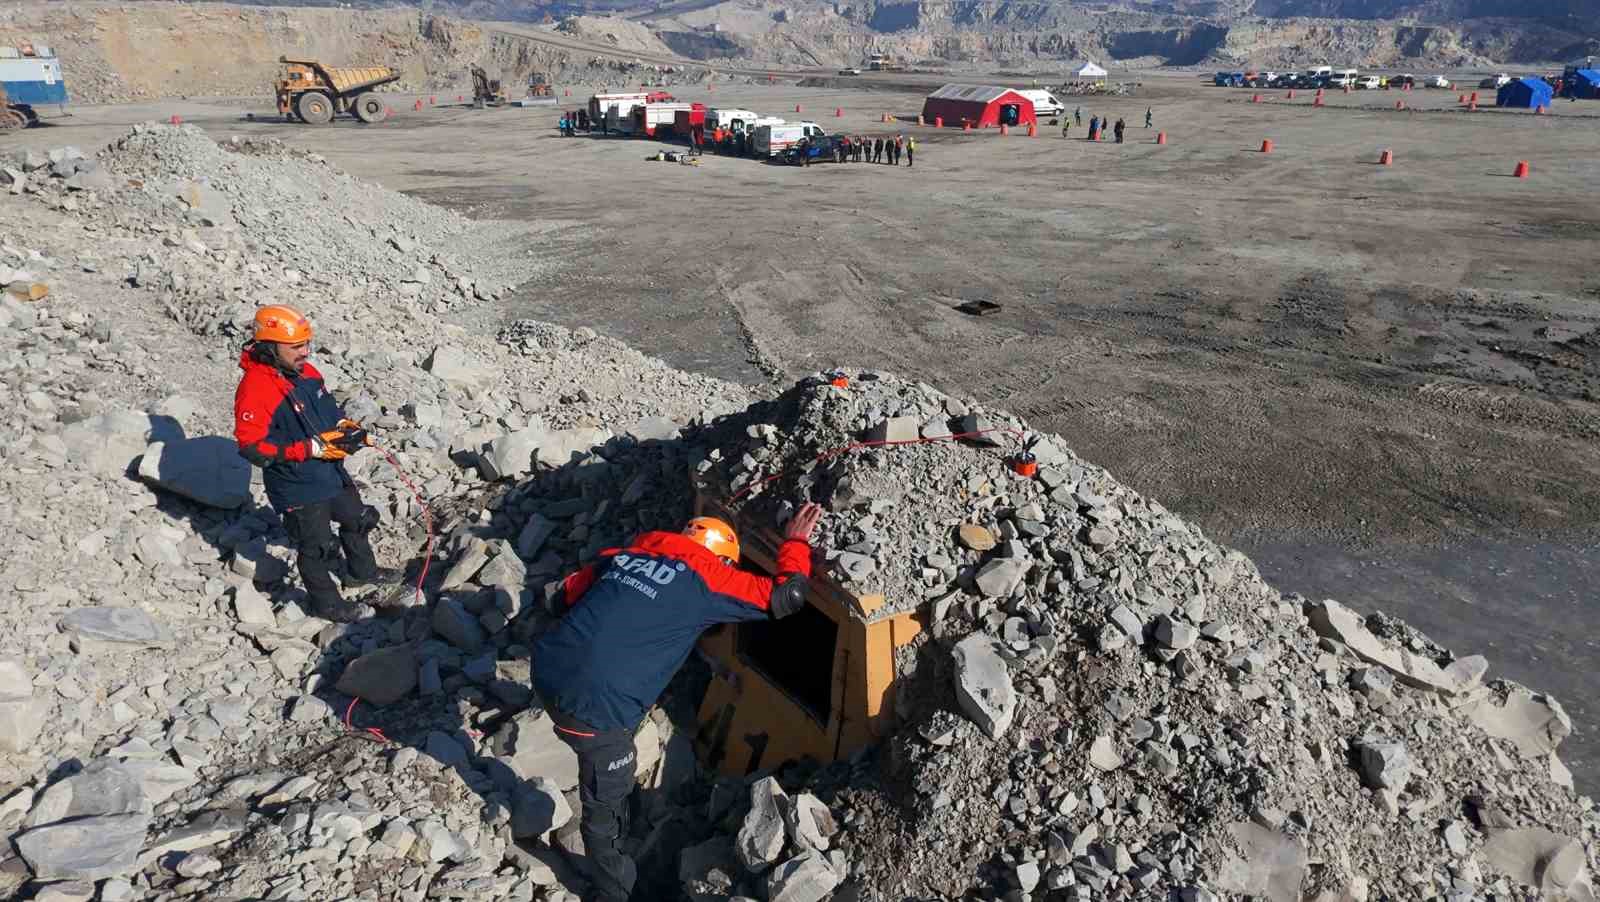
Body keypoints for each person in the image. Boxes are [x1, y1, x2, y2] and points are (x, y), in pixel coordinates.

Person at [533, 503, 825, 902]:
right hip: (592, 708)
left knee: (616, 759)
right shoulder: (711, 576)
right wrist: (794, 542)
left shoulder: (625, 555)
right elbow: (788, 595)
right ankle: (617, 889)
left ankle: (627, 803)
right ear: (722, 558)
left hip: (547, 666)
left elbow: (559, 598)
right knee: (603, 802)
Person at [234, 306, 392, 623]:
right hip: (296, 485)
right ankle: (327, 606)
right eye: (296, 347)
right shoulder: (255, 389)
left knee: (357, 519)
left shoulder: (307, 373)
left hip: (329, 470)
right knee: (317, 547)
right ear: (269, 347)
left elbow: (328, 411)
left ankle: (363, 573)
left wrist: (347, 428)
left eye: (307, 344)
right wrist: (307, 448)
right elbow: (252, 447)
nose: (305, 352)